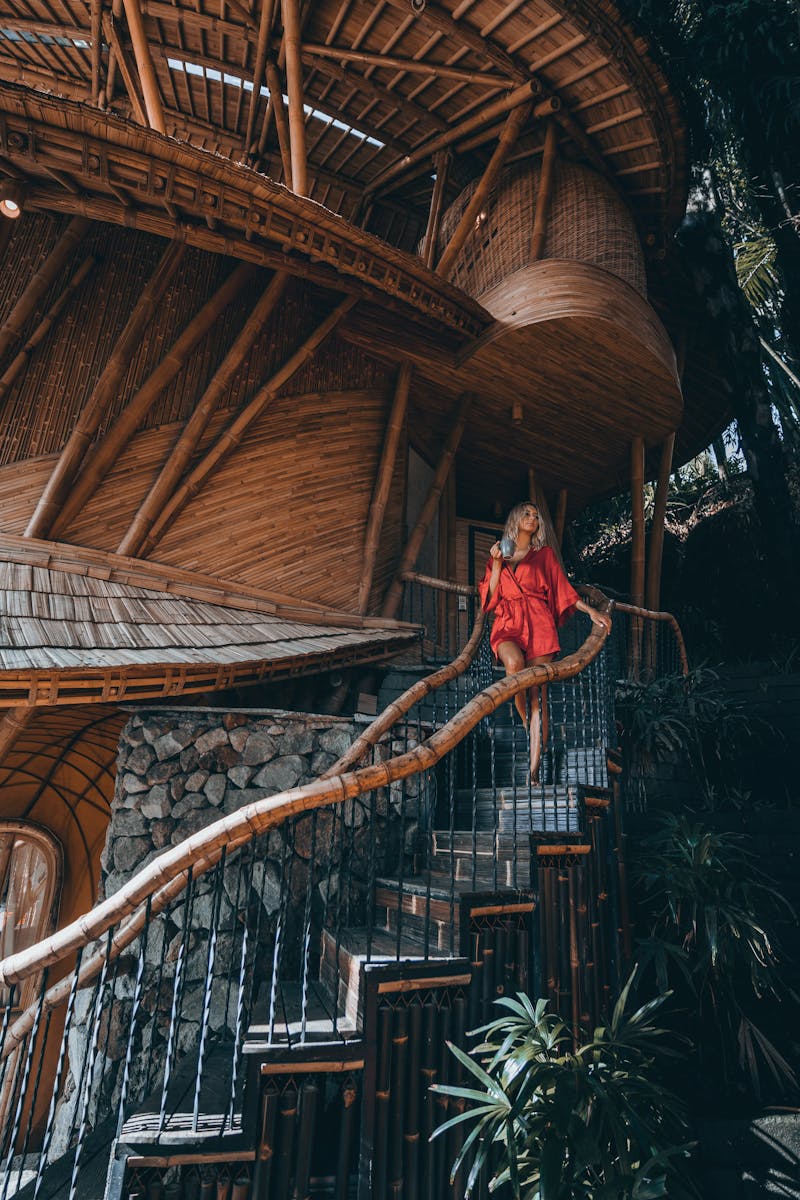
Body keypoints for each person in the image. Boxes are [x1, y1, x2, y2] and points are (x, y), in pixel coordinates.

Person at [478, 501, 611, 781]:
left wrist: (591, 612)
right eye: (527, 513)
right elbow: (490, 598)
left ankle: (535, 768)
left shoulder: (545, 555)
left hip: (539, 623)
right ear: (515, 518)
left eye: (536, 516)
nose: (532, 517)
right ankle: (531, 730)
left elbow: (565, 589)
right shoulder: (498, 556)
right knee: (514, 666)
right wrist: (499, 564)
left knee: (538, 697)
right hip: (508, 623)